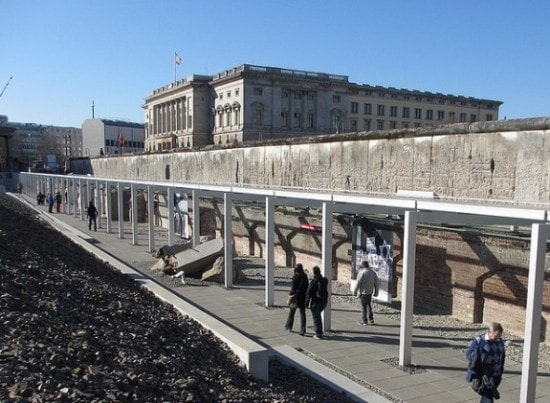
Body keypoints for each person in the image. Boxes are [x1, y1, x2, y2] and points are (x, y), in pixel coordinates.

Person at [465, 322, 505, 402]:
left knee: (486, 397)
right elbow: (469, 355)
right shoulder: (479, 341)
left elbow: (502, 356)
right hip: (485, 375)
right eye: (496, 336)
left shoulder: (500, 341)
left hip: (496, 375)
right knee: (488, 398)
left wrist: (500, 370)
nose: (497, 338)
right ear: (490, 332)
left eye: (499, 336)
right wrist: (484, 358)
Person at [351, 261, 379, 325]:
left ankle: (364, 321)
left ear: (362, 266)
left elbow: (358, 283)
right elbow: (376, 283)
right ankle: (371, 319)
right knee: (368, 305)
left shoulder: (362, 273)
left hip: (363, 293)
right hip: (370, 292)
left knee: (363, 307)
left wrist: (354, 292)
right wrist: (376, 292)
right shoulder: (373, 272)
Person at [285, 264, 309, 336]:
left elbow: (293, 288)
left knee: (292, 312)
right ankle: (303, 330)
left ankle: (289, 326)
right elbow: (307, 287)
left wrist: (290, 295)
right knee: (302, 314)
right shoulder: (305, 276)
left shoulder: (295, 276)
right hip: (302, 297)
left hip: (295, 298)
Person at [306, 265, 328, 339]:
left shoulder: (313, 282)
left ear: (314, 273)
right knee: (318, 317)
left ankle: (318, 334)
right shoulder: (325, 280)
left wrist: (306, 303)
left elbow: (309, 293)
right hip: (324, 302)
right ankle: (320, 332)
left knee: (316, 318)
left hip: (316, 302)